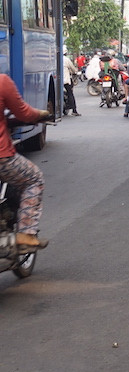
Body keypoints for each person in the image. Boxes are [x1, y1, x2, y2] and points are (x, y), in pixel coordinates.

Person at [0, 74, 52, 254]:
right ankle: (26, 234)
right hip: (2, 157)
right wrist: (41, 114)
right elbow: (24, 113)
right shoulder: (2, 82)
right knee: (34, 179)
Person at [62, 52, 80, 116]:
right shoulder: (66, 59)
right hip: (65, 80)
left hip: (57, 81)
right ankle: (74, 111)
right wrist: (75, 71)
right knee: (70, 94)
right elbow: (73, 68)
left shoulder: (55, 59)